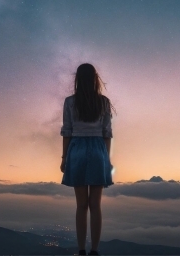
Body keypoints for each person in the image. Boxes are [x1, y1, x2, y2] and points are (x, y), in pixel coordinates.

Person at [60, 63, 114, 256]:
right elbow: (107, 133)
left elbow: (67, 132)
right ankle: (95, 251)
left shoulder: (69, 102)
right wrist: (106, 159)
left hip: (77, 151)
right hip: (98, 151)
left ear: (77, 79)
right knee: (95, 205)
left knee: (81, 206)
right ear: (94, 79)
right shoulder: (104, 102)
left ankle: (81, 250)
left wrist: (65, 157)